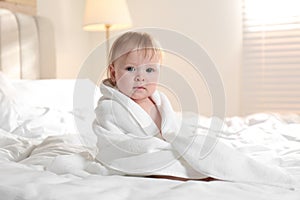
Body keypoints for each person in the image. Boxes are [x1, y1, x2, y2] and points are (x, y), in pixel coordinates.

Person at [92, 31, 295, 188]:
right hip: (141, 155)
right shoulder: (110, 107)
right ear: (113, 71)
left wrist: (177, 140)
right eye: (130, 68)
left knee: (207, 150)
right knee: (170, 163)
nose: (140, 76)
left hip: (168, 145)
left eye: (149, 69)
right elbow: (113, 143)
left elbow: (172, 127)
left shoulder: (159, 99)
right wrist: (151, 148)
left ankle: (239, 171)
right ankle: (197, 173)